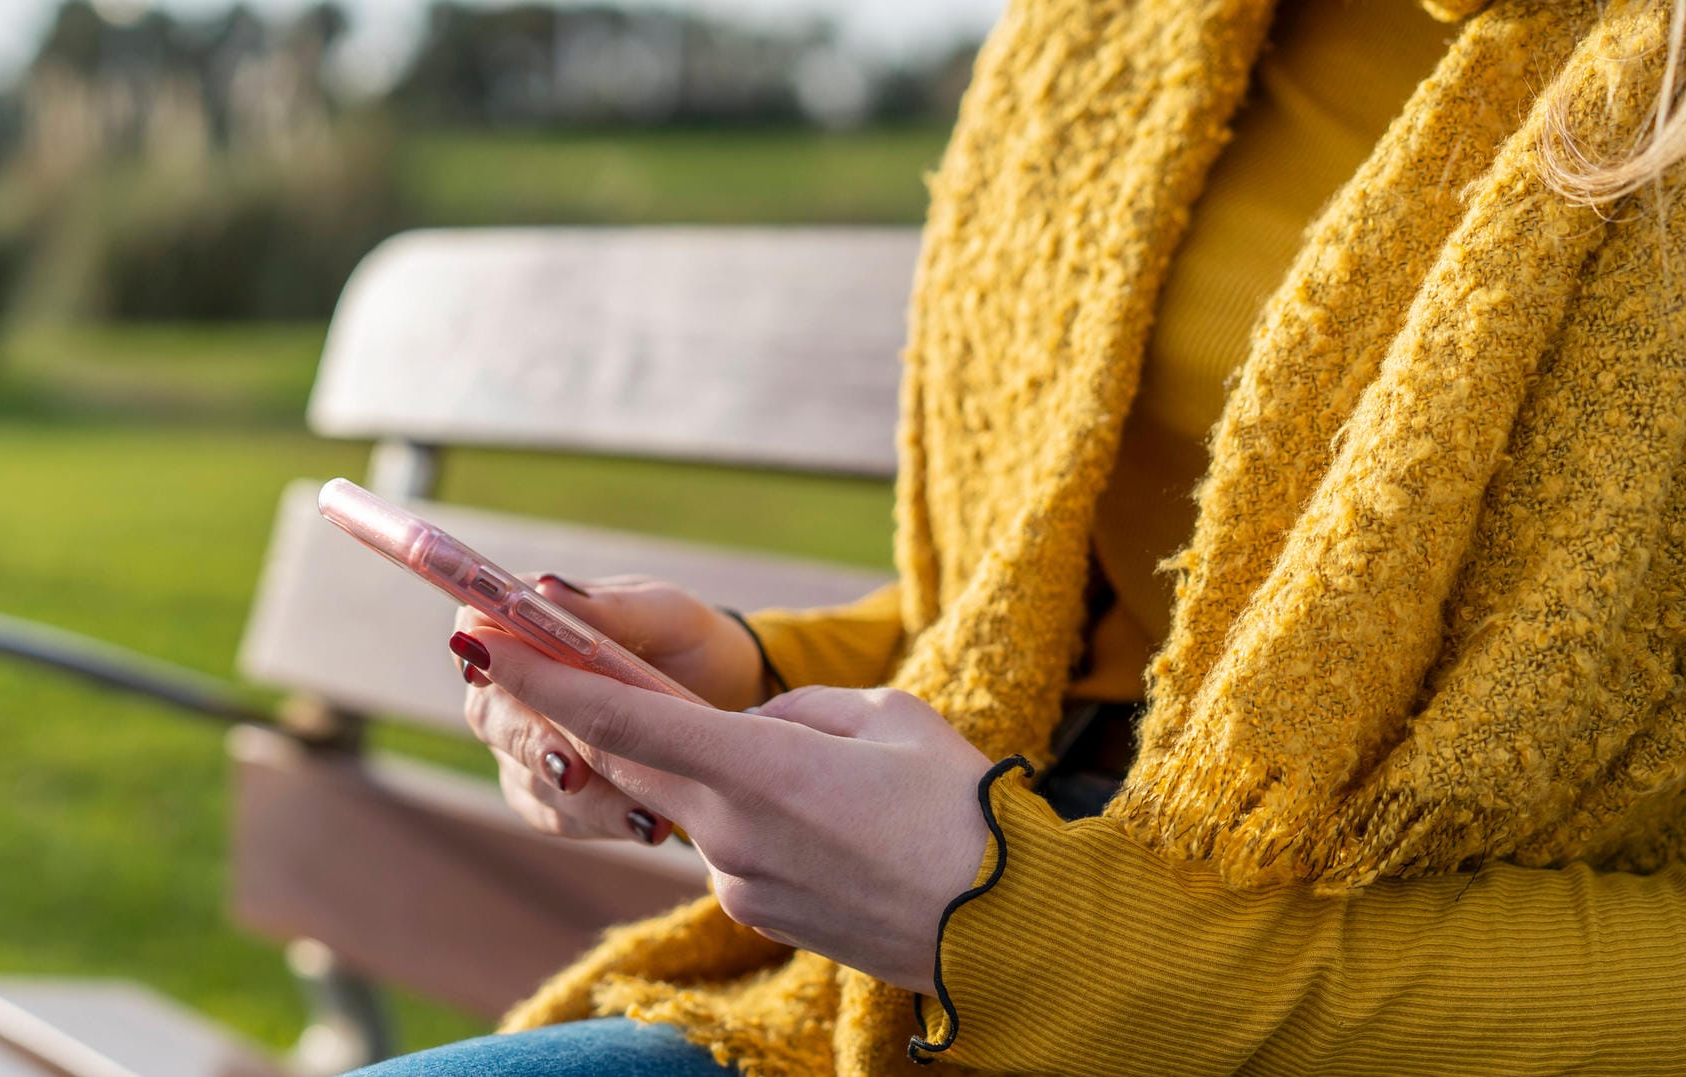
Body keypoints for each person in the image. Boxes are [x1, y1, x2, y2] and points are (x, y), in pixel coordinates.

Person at [350, 0, 1686, 1072]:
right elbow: (1090, 620)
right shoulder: (1113, 35)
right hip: (938, 973)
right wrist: (756, 682)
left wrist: (1066, 936)